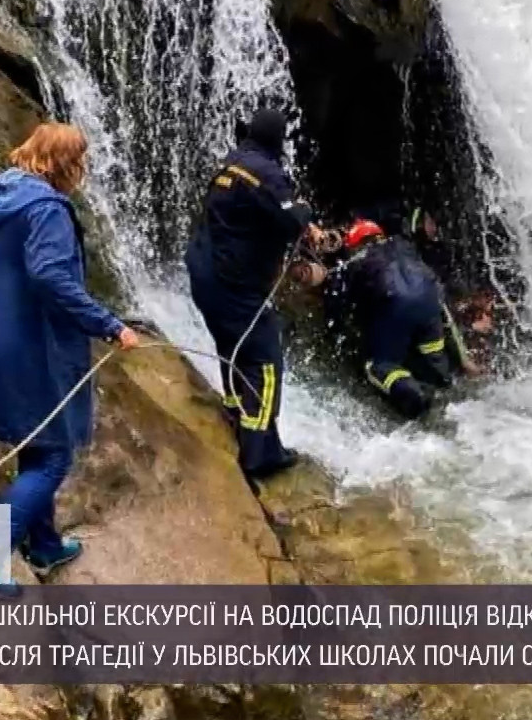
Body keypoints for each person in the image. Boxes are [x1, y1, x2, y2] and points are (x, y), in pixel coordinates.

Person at [0, 123, 140, 578]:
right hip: (29, 351)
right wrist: (110, 325)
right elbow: (51, 276)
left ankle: (45, 546)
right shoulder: (48, 210)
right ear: (67, 164)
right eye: (81, 162)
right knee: (55, 455)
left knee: (35, 443)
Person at [185, 107, 330, 481]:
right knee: (265, 360)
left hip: (205, 273)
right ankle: (261, 452)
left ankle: (236, 413)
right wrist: (306, 213)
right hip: (233, 282)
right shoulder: (266, 172)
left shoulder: (233, 162)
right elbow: (292, 218)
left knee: (232, 346)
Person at [323, 217, 470, 420]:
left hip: (395, 306)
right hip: (430, 298)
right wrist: (464, 359)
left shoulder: (354, 262)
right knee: (433, 353)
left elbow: (337, 303)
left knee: (380, 365)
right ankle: (446, 384)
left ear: (354, 245)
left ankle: (413, 397)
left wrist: (336, 330)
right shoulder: (404, 244)